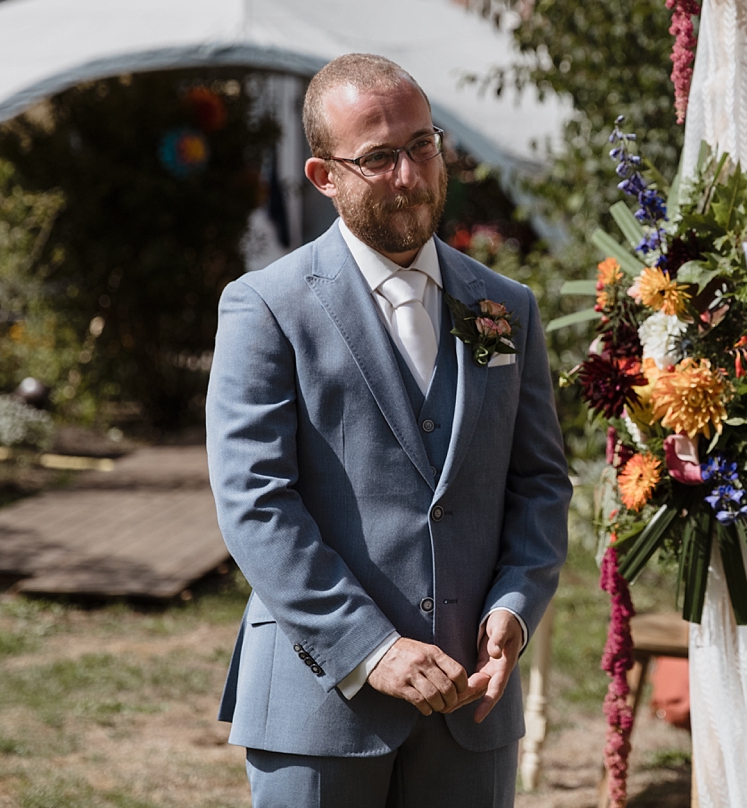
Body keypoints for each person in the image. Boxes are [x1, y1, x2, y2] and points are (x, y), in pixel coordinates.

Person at [207, 53, 572, 807]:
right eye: (378, 157)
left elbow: (538, 482)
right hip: (320, 706)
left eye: (422, 145)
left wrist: (513, 608)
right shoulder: (266, 307)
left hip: (471, 707)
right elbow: (255, 503)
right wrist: (370, 649)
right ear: (324, 176)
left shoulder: (504, 308)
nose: (410, 175)